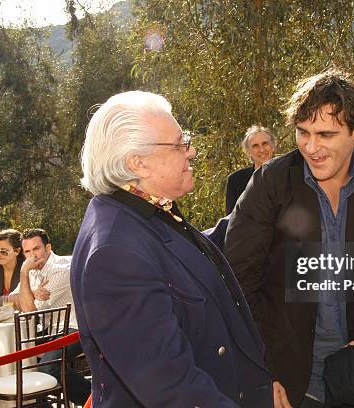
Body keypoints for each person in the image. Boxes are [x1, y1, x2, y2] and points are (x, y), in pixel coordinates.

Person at [71, 91, 272, 407]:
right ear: (138, 162)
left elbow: (192, 256)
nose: (190, 152)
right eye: (179, 144)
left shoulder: (141, 212)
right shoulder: (114, 253)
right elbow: (172, 388)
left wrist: (266, 192)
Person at [225, 70, 354, 408]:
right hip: (287, 386)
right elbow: (236, 283)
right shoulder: (270, 184)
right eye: (302, 132)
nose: (311, 147)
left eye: (325, 134)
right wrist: (260, 370)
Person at [9, 228, 90, 405]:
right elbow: (11, 299)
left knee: (48, 367)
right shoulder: (32, 270)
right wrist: (30, 291)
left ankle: (97, 401)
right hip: (49, 331)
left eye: (36, 249)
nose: (32, 256)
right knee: (13, 358)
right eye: (27, 251)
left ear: (48, 248)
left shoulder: (60, 269)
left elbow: (29, 311)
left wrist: (23, 276)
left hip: (76, 328)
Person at [225, 125, 276, 215]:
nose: (261, 149)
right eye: (255, 146)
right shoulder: (236, 180)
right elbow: (231, 220)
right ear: (248, 152)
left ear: (272, 146)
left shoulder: (288, 174)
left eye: (265, 143)